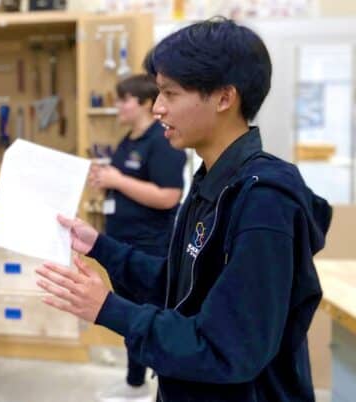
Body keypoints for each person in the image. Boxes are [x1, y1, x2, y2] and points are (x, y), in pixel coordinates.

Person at [36, 17, 331, 402]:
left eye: (169, 94)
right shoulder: (211, 181)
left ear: (225, 97)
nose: (157, 108)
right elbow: (181, 287)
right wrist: (100, 248)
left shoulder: (264, 203)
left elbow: (227, 349)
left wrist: (111, 310)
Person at [89, 74, 185, 402]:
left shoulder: (162, 141)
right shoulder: (128, 140)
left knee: (150, 320)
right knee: (128, 318)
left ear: (145, 102)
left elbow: (169, 196)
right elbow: (123, 182)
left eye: (123, 99)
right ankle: (135, 383)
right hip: (120, 245)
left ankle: (163, 390)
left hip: (150, 248)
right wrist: (106, 179)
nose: (118, 106)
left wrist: (118, 179)